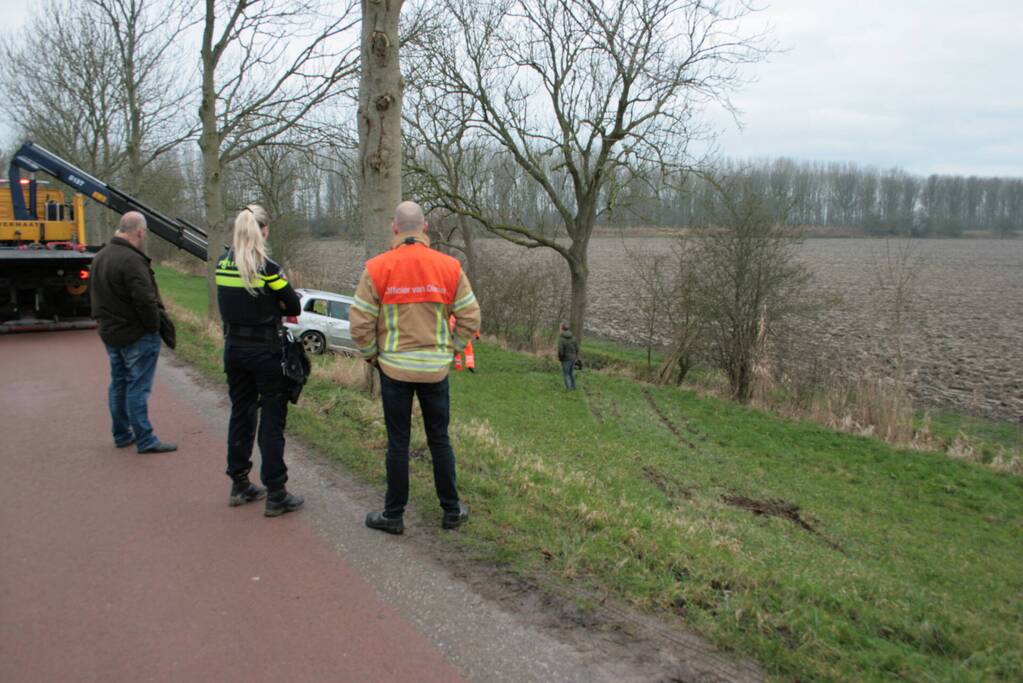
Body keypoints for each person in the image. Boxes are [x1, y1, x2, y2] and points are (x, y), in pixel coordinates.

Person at [350, 201, 481, 535]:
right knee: (440, 439)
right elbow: (470, 316)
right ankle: (451, 510)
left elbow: (360, 321)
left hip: (394, 369)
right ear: (425, 228)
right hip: (436, 370)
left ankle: (393, 515)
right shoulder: (449, 267)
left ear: (394, 229)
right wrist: (451, 348)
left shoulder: (378, 268)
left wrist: (371, 355)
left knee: (398, 443)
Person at [216, 204, 304, 516]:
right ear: (263, 231)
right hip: (266, 352)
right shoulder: (268, 268)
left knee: (241, 414)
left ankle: (239, 483)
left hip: (234, 351)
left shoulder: (222, 265)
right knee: (271, 419)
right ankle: (276, 492)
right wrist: (273, 307)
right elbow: (293, 304)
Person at [91, 211, 177, 453]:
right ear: (140, 231)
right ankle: (145, 439)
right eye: (145, 232)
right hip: (136, 334)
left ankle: (121, 433)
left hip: (110, 332)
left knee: (118, 383)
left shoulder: (101, 256)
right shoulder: (131, 260)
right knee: (138, 386)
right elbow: (145, 300)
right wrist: (152, 328)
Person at [557, 322, 579, 390]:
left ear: (562, 329)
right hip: (573, 358)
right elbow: (577, 348)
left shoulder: (561, 339)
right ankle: (573, 386)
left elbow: (560, 351)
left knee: (566, 374)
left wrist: (560, 358)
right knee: (571, 373)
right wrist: (575, 356)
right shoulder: (573, 338)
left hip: (565, 359)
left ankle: (569, 388)